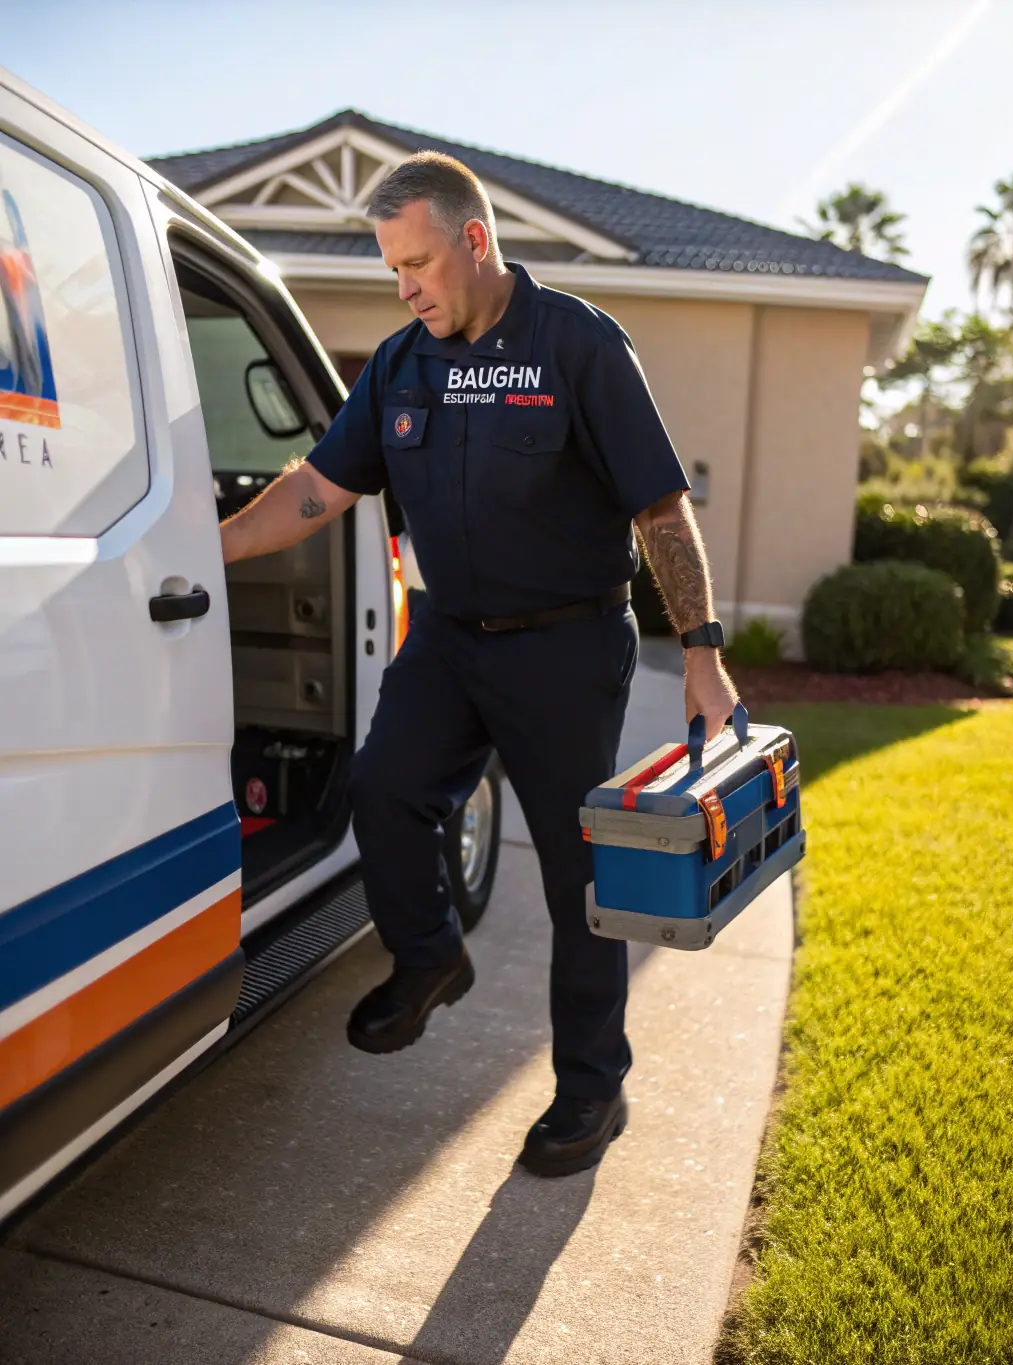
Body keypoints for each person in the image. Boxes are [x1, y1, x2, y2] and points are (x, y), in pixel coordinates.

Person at [220, 152, 738, 1178]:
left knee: (578, 878)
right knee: (382, 787)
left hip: (565, 648)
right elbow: (319, 487)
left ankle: (591, 1088)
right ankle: (428, 956)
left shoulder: (577, 343)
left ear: (474, 239)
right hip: (450, 639)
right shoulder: (399, 364)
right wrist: (207, 544)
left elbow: (658, 509)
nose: (404, 288)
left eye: (415, 264)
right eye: (391, 270)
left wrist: (703, 653)